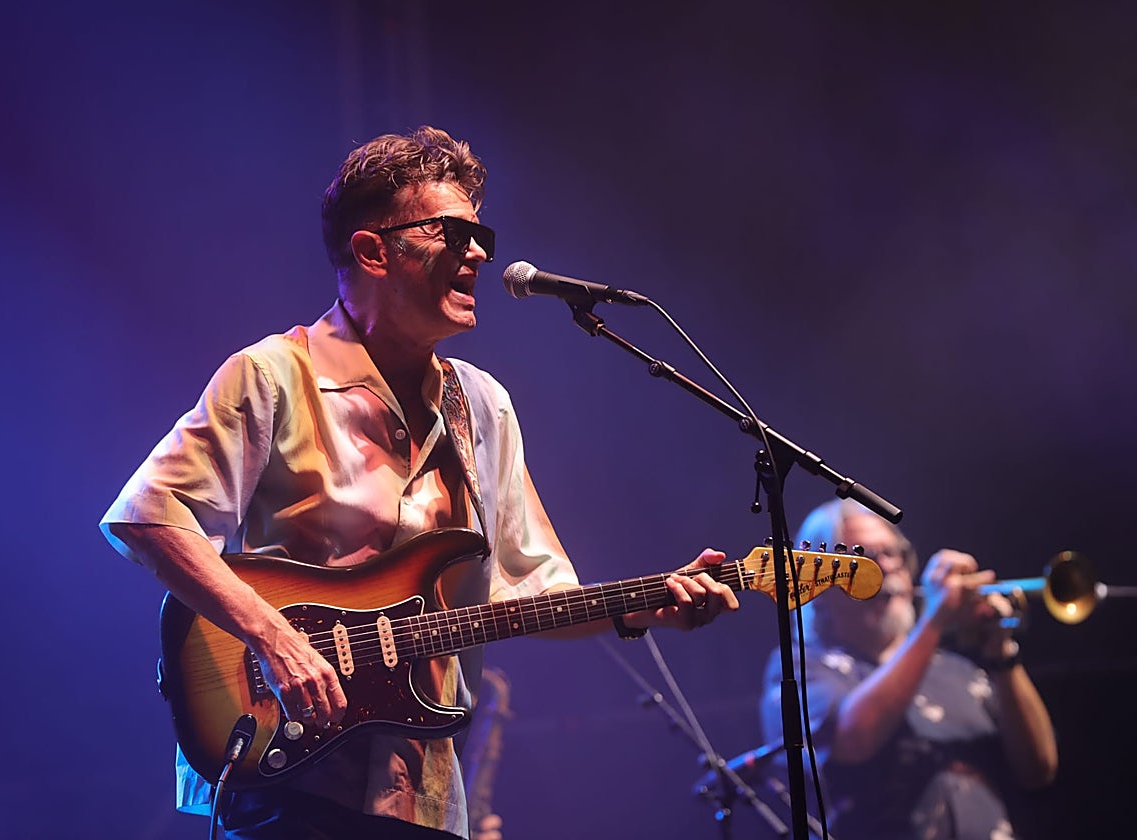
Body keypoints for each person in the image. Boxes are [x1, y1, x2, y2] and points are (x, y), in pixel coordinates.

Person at [100, 125, 739, 840]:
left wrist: (653, 603)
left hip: (420, 790)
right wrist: (274, 639)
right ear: (373, 249)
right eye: (451, 233)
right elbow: (147, 516)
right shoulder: (274, 374)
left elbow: (530, 588)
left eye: (480, 235)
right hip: (284, 776)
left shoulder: (483, 405)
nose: (478, 253)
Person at [759, 499, 1058, 840]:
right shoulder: (804, 666)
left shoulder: (957, 669)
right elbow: (853, 739)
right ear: (820, 582)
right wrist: (934, 620)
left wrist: (1001, 652)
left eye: (893, 553)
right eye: (865, 558)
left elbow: (1039, 770)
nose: (887, 567)